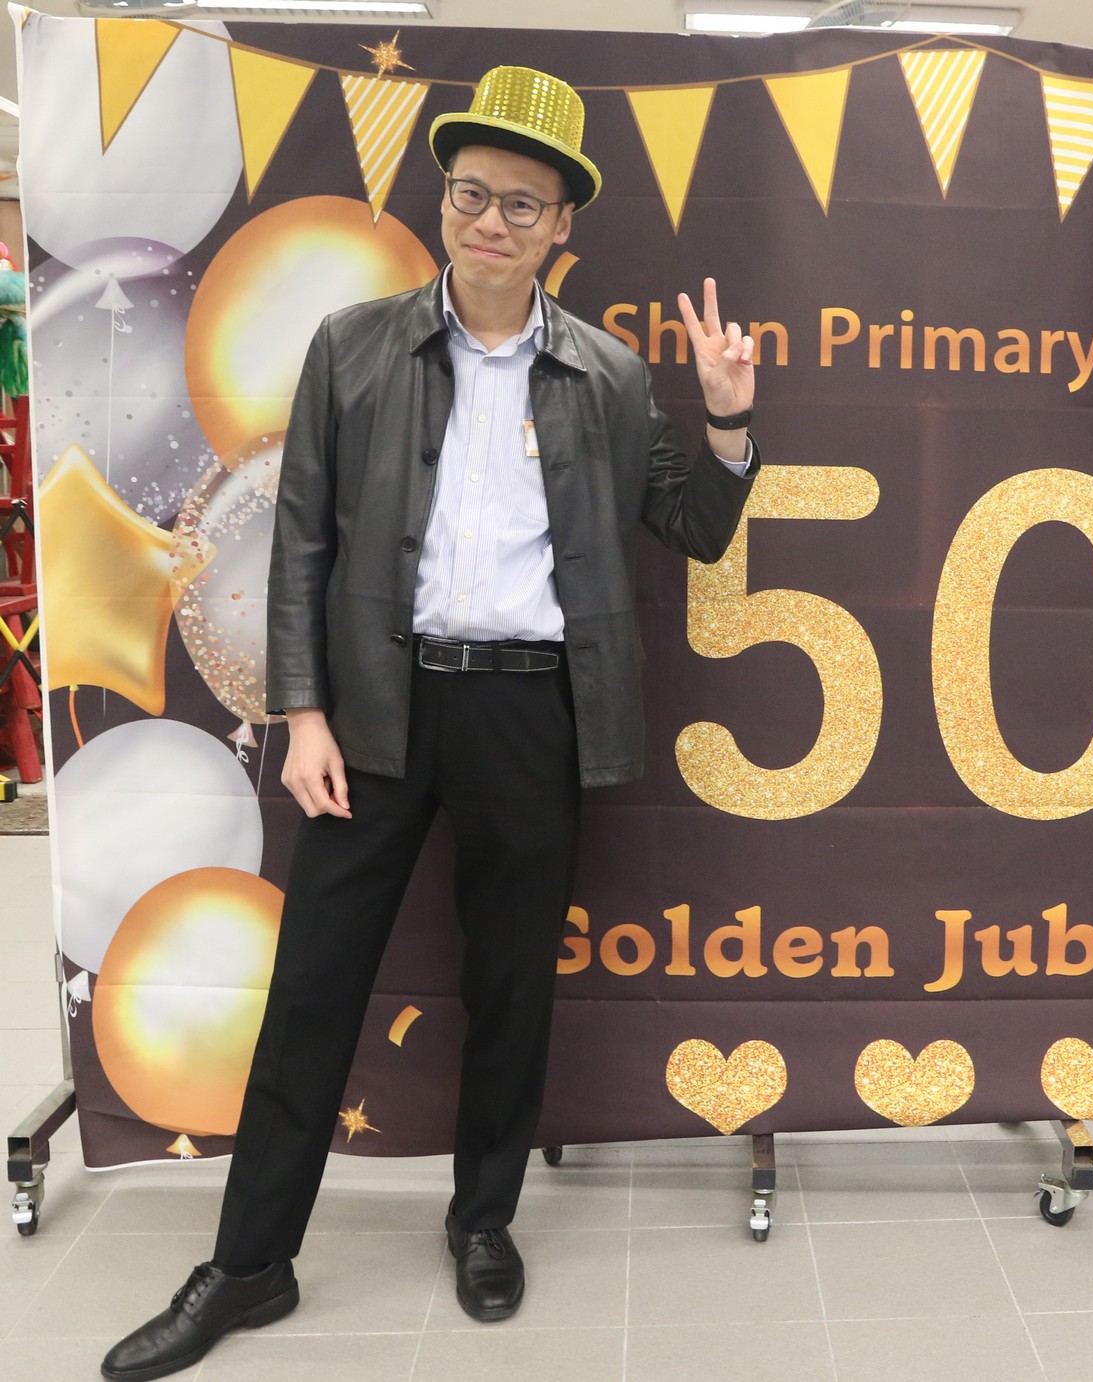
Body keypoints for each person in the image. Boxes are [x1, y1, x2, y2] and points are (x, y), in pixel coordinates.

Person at [101, 66, 759, 1381]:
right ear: (443, 200)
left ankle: (482, 1220)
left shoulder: (609, 375)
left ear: (562, 225)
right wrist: (302, 712)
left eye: (522, 203)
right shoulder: (353, 345)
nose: (491, 221)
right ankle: (249, 1263)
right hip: (375, 714)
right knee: (313, 985)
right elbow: (300, 540)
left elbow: (692, 527)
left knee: (511, 986)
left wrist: (730, 415)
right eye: (471, 193)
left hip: (531, 715)